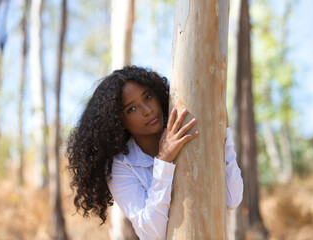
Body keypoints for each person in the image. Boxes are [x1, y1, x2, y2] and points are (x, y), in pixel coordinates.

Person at [67, 66, 243, 240]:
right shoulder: (121, 165)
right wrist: (164, 160)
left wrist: (224, 132)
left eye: (148, 97)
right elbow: (152, 233)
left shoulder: (187, 129)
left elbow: (232, 197)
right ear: (118, 121)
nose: (147, 110)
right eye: (132, 109)